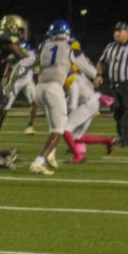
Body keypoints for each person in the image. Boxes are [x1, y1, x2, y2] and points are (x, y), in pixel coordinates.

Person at [29, 20, 78, 175]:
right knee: (59, 130)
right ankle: (39, 161)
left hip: (39, 88)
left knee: (54, 127)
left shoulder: (44, 45)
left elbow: (35, 65)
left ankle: (50, 154)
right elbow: (76, 65)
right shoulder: (71, 44)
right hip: (54, 88)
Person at [95, 21, 128, 147]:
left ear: (127, 32)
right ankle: (122, 136)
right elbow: (102, 61)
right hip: (114, 84)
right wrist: (99, 74)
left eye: (119, 31)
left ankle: (126, 138)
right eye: (115, 31)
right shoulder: (111, 46)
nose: (116, 34)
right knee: (116, 112)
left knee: (127, 111)